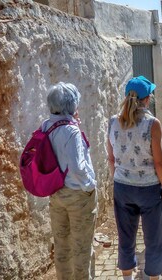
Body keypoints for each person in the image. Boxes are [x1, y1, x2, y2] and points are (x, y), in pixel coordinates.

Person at [107, 76, 162, 280]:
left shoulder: (113, 122)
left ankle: (127, 277)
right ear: (147, 99)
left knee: (125, 236)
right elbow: (160, 162)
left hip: (122, 187)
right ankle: (152, 276)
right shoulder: (152, 124)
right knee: (153, 238)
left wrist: (118, 181)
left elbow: (111, 158)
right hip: (148, 189)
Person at [45, 82, 98, 279]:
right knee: (82, 248)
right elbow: (78, 167)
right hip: (77, 194)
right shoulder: (72, 130)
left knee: (62, 247)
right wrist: (90, 185)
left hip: (56, 193)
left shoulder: (46, 125)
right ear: (72, 104)